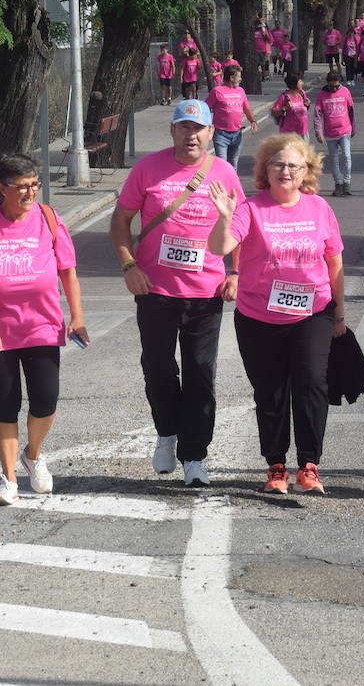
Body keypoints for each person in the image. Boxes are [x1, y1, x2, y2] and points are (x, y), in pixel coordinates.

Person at [110, 100, 243, 486]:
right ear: (172, 131)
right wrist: (129, 266)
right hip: (155, 289)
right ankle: (167, 433)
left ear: (211, 133)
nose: (191, 135)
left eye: (198, 128)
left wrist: (235, 273)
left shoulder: (224, 172)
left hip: (206, 292)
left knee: (201, 374)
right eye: (184, 127)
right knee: (159, 367)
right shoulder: (148, 169)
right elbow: (121, 221)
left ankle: (195, 457)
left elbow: (239, 227)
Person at [207, 134, 346, 495]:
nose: (286, 171)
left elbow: (334, 262)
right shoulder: (250, 209)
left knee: (312, 382)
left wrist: (340, 311)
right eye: (278, 164)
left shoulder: (319, 209)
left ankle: (310, 465)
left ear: (306, 172)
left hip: (312, 312)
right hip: (258, 318)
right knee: (269, 392)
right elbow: (219, 247)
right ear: (266, 169)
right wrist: (223, 217)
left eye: (293, 166)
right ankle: (276, 465)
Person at [0, 154, 88, 506]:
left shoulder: (49, 219)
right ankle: (9, 478)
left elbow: (68, 272)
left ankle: (34, 453)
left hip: (42, 325)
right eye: (21, 186)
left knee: (46, 398)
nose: (30, 192)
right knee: (6, 400)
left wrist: (77, 316)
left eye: (34, 184)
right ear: (1, 188)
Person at [206, 63, 258, 169]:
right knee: (223, 165)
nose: (241, 79)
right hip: (221, 135)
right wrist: (206, 127)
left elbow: (246, 108)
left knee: (233, 164)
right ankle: (222, 185)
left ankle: (231, 185)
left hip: (237, 134)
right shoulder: (217, 91)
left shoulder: (241, 91)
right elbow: (205, 109)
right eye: (239, 76)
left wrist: (253, 121)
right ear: (231, 77)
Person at [314, 69, 355, 196]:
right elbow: (318, 114)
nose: (334, 89)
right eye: (331, 86)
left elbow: (351, 110)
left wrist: (353, 127)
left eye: (336, 86)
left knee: (347, 157)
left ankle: (346, 183)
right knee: (334, 160)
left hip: (345, 130)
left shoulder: (345, 91)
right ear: (327, 83)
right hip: (330, 133)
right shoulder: (322, 95)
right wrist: (318, 132)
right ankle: (338, 184)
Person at [272, 72, 311, 136]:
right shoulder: (284, 97)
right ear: (294, 83)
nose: (302, 83)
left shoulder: (302, 93)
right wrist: (285, 108)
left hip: (303, 132)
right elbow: (274, 112)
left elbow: (303, 111)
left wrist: (307, 105)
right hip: (289, 134)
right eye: (300, 81)